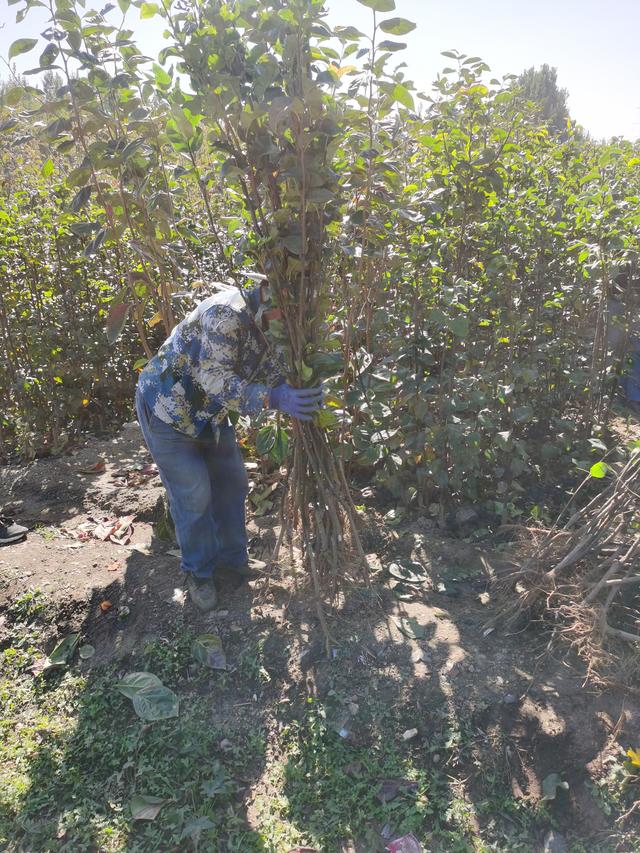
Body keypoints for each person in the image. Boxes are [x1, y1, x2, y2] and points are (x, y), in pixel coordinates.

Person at [135, 282, 323, 610]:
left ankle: (233, 560)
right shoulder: (226, 315)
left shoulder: (273, 325)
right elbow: (214, 378)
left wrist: (296, 387)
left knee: (232, 482)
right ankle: (200, 572)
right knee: (193, 494)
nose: (289, 320)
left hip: (212, 414)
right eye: (286, 311)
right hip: (168, 409)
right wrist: (273, 398)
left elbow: (271, 368)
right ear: (267, 295)